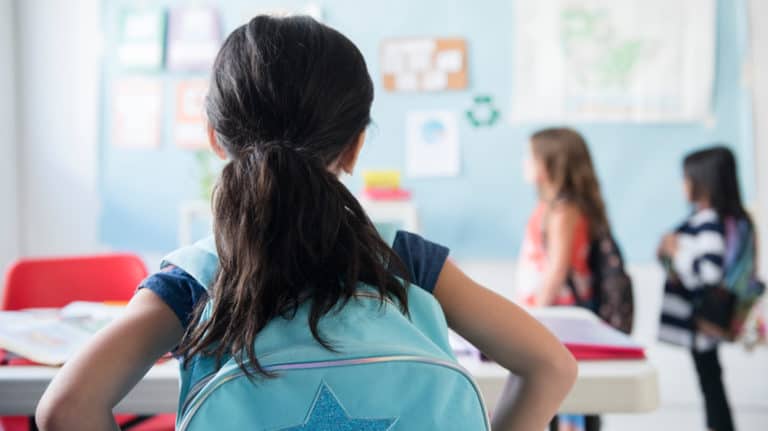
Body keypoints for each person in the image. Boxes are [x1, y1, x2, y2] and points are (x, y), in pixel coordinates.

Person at [35, 16, 576, 431]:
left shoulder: (196, 279)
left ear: (215, 137)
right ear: (356, 145)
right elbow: (551, 366)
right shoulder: (403, 261)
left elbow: (65, 407)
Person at [517, 127, 610, 431]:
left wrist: (535, 315)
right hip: (553, 317)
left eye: (529, 157)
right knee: (561, 403)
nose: (524, 163)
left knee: (568, 405)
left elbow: (557, 268)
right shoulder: (553, 207)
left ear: (549, 164)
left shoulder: (563, 211)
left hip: (558, 317)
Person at [658, 146, 752, 431]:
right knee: (711, 379)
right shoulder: (721, 221)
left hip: (701, 323)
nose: (682, 185)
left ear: (704, 182)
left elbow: (707, 273)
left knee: (710, 381)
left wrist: (677, 253)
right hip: (702, 323)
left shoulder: (707, 223)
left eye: (686, 179)